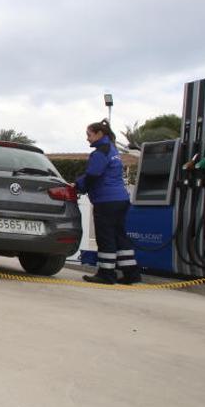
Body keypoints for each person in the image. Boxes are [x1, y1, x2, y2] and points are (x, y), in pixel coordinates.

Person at [75, 119, 142, 284]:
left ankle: (106, 274)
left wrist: (78, 186)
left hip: (106, 201)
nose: (87, 138)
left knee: (106, 237)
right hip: (121, 199)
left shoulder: (100, 152)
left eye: (89, 135)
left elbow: (93, 174)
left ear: (99, 134)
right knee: (120, 237)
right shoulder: (112, 151)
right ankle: (131, 274)